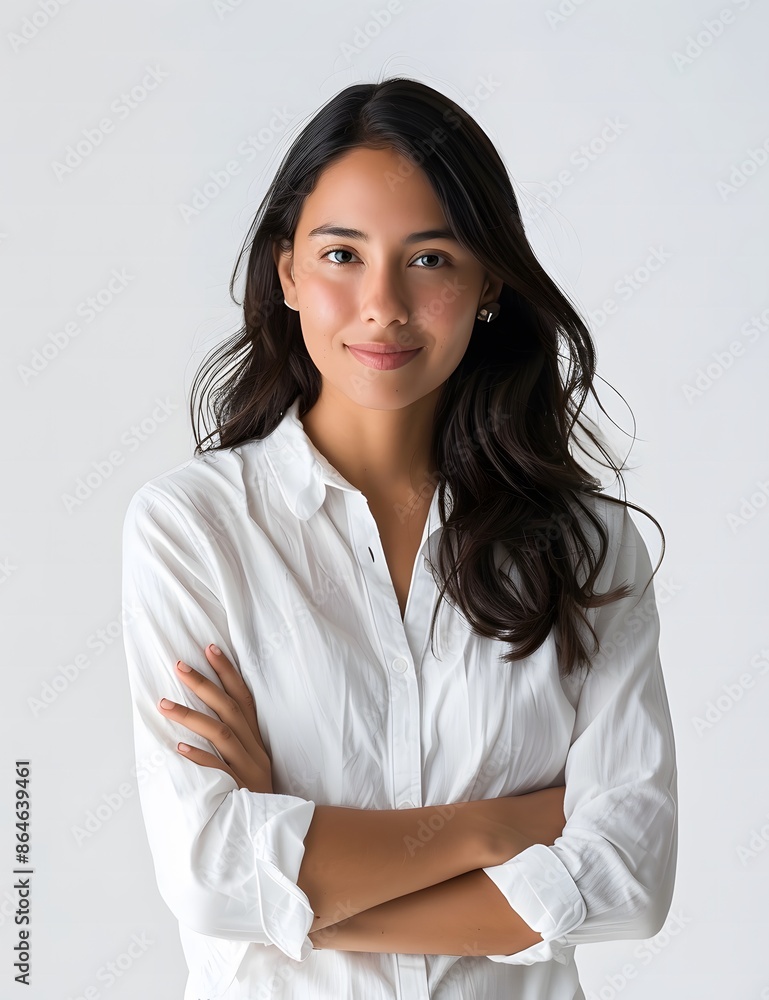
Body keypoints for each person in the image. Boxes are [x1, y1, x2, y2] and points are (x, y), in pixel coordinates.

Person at [121, 77, 678, 1000]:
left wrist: (299, 873)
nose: (381, 304)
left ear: (487, 280)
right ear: (288, 273)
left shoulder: (588, 547)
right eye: (342, 254)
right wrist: (496, 829)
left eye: (428, 259)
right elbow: (210, 872)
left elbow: (627, 880)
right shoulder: (195, 529)